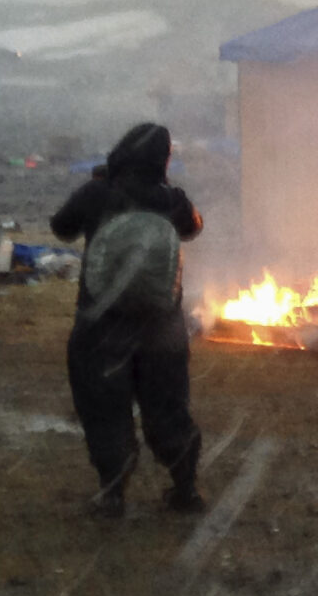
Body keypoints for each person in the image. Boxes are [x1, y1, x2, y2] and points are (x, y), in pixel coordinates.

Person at [50, 123, 205, 517]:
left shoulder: (98, 193)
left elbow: (60, 227)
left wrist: (99, 191)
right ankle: (185, 489)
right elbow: (194, 228)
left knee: (105, 410)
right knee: (168, 408)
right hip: (162, 327)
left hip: (102, 326)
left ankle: (113, 494)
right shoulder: (172, 201)